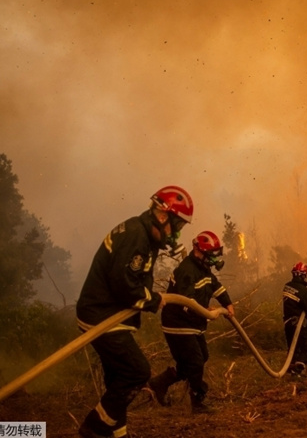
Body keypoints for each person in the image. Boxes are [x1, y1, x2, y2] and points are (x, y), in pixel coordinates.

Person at [76, 186, 193, 438]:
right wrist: (152, 300)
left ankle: (118, 434)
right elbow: (124, 285)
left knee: (117, 378)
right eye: (177, 226)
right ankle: (95, 426)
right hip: (102, 316)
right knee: (137, 371)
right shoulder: (136, 237)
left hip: (104, 313)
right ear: (162, 216)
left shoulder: (143, 234)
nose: (175, 234)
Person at [148, 230, 235, 413]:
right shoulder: (186, 271)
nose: (213, 260)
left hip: (193, 323)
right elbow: (187, 303)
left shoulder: (203, 269)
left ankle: (160, 382)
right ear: (198, 251)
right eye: (210, 256)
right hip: (178, 323)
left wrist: (227, 304)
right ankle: (197, 400)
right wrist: (206, 312)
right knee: (195, 362)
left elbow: (216, 287)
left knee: (202, 356)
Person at [282, 261, 307, 376]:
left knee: (293, 348)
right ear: (304, 275)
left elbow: (297, 297)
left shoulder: (287, 286)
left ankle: (291, 369)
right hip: (299, 324)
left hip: (288, 323)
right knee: (306, 347)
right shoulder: (303, 291)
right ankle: (298, 369)